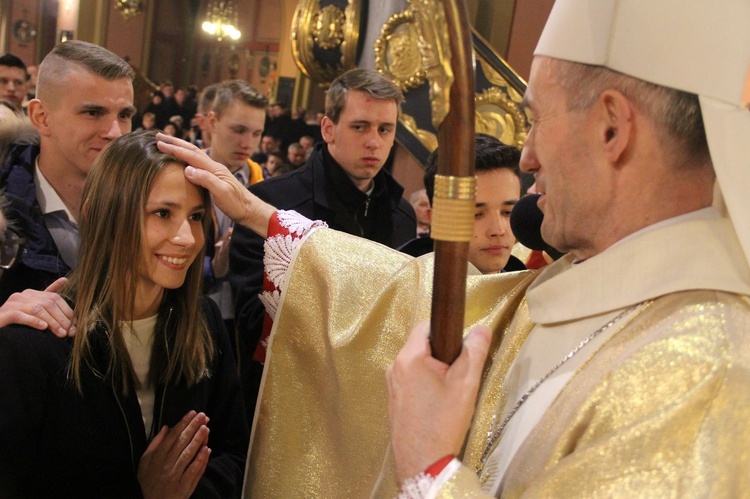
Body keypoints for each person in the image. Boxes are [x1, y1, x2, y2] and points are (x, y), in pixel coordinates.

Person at [157, 0, 750, 495]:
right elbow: (417, 295)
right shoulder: (593, 285)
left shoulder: (709, 380)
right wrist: (262, 214)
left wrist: (432, 472)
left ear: (612, 129)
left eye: (536, 120)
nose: (528, 156)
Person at [0, 130, 248, 497]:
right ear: (105, 215)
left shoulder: (204, 321)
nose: (186, 237)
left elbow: (236, 456)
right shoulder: (35, 342)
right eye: (162, 213)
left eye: (195, 216)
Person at [228, 68, 416, 423]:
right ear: (329, 129)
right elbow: (254, 325)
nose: (374, 141)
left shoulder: (401, 213)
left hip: (370, 406)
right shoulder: (270, 204)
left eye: (385, 129)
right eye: (360, 126)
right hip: (291, 407)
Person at [0, 40, 135, 335]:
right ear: (41, 117)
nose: (115, 132)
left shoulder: (148, 205)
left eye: (124, 115)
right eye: (93, 113)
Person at [400, 134, 526, 273]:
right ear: (436, 220)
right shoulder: (400, 288)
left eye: (508, 212)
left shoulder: (527, 289)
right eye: (476, 215)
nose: (498, 230)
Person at [203, 79, 266, 335]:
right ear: (212, 122)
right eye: (239, 130)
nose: (247, 144)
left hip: (242, 317)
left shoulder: (264, 185)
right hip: (189, 307)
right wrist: (212, 267)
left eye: (256, 133)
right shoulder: (180, 176)